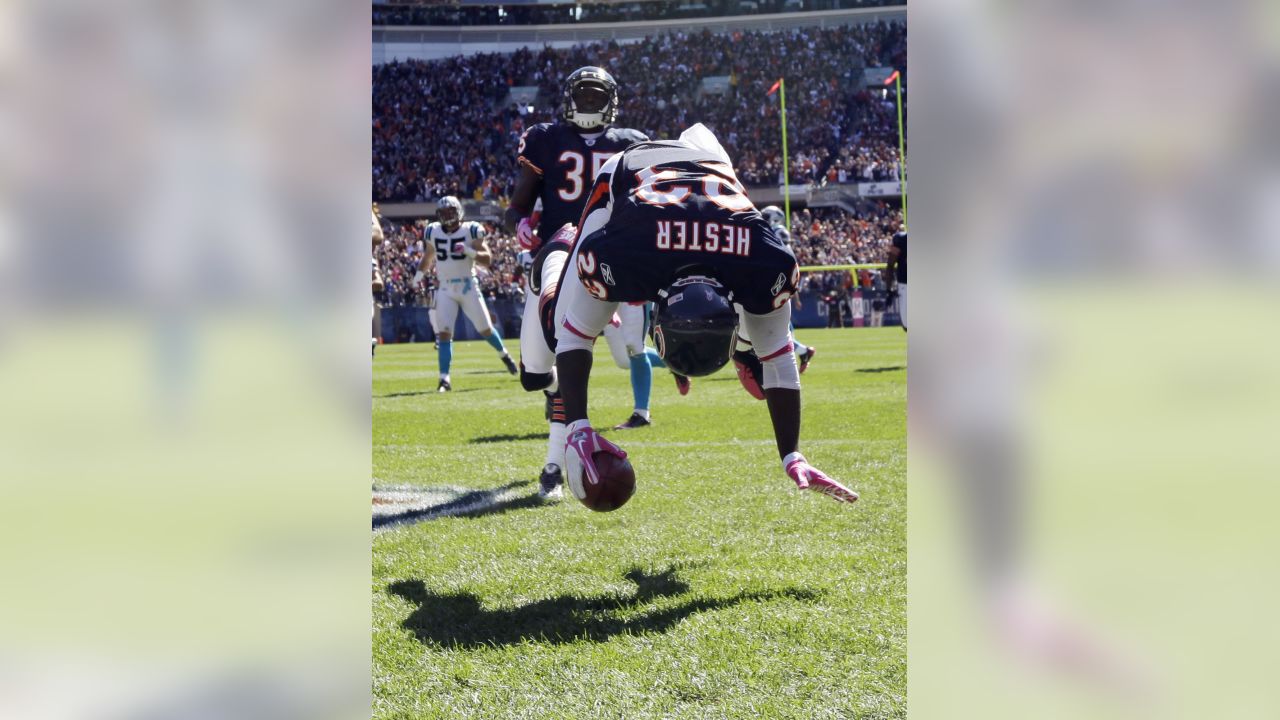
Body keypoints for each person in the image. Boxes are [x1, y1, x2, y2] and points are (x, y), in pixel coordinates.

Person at [552, 124, 858, 504]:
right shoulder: (761, 263)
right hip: (631, 168)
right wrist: (577, 427)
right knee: (556, 321)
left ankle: (745, 348)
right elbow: (572, 333)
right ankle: (559, 243)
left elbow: (779, 357)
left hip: (704, 165)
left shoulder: (761, 260)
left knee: (576, 320)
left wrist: (792, 454)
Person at [505, 66, 686, 435]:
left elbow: (650, 204)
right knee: (540, 364)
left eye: (596, 95)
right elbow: (516, 206)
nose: (589, 101)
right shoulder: (545, 138)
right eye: (583, 94)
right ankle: (558, 394)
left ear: (611, 101)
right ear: (569, 99)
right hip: (560, 257)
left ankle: (652, 394)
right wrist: (520, 224)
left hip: (615, 257)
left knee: (629, 352)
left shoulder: (631, 142)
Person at [413, 196, 518, 392]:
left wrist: (470, 251)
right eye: (443, 213)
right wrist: (418, 276)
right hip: (445, 288)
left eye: (450, 212)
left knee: (485, 329)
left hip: (468, 286)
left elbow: (487, 259)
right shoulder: (432, 231)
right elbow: (428, 257)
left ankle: (504, 355)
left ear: (459, 212)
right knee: (444, 333)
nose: (447, 217)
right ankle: (444, 379)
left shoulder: (471, 229)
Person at [759, 205, 817, 373]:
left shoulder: (778, 231)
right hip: (776, 279)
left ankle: (802, 351)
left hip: (776, 280)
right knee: (775, 324)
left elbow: (784, 258)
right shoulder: (774, 230)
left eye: (765, 216)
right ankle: (803, 351)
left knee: (775, 324)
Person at [884, 229, 907, 331]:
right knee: (907, 325)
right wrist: (889, 289)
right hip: (906, 284)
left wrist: (889, 289)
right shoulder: (901, 239)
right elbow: (890, 265)